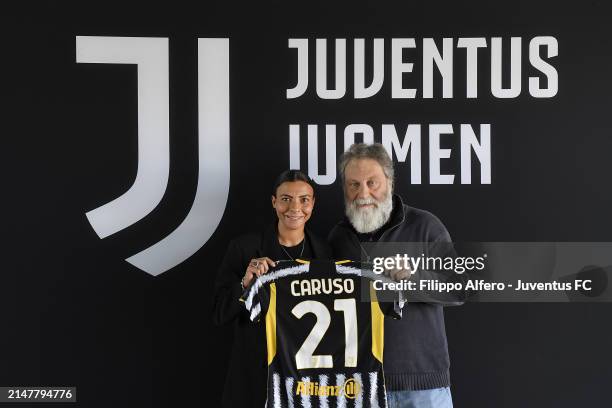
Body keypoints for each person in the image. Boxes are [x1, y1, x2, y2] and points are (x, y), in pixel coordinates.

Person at [328, 143, 460, 408]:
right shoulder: (338, 238)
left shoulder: (424, 225)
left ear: (389, 181)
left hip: (422, 388)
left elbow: (459, 288)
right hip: (359, 387)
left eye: (371, 183)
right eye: (353, 185)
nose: (363, 193)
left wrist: (414, 278)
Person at [212, 170, 331, 408]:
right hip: (257, 379)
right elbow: (219, 313)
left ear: (313, 203)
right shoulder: (245, 248)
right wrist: (245, 284)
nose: (295, 207)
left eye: (304, 199)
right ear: (274, 202)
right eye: (286, 198)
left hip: (308, 383)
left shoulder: (325, 253)